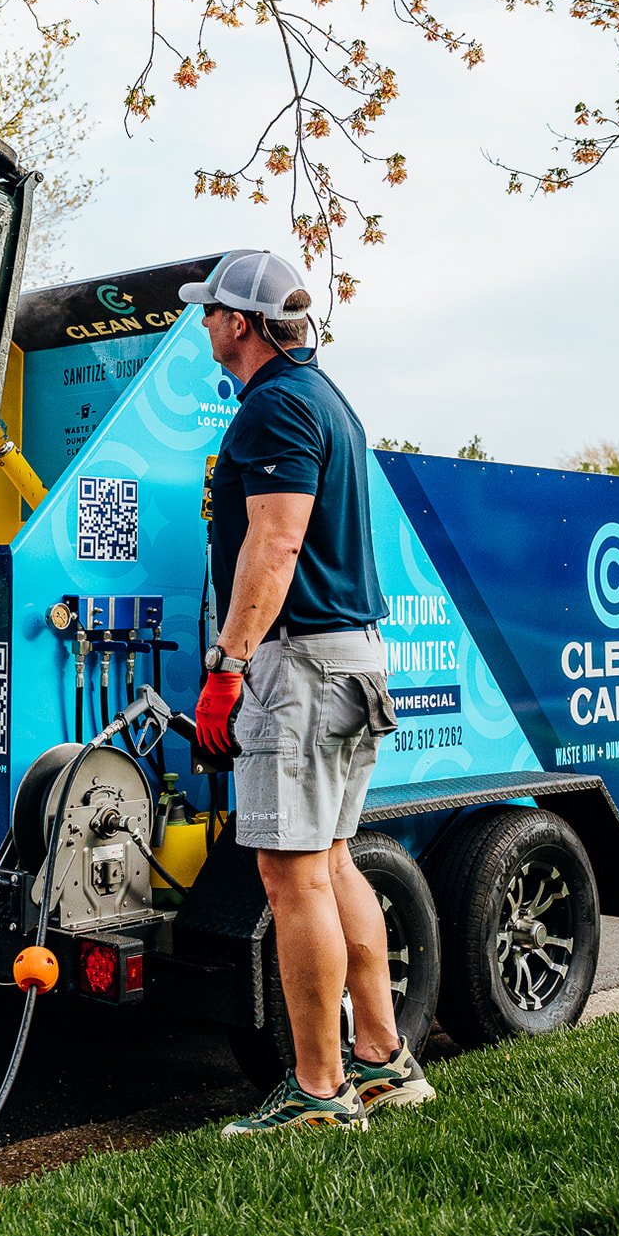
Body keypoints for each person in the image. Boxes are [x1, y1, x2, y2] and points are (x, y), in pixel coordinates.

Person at [178, 250, 436, 1134]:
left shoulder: (275, 406)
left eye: (210, 313)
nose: (203, 325)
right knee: (329, 862)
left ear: (241, 325)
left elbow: (276, 544)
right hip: (349, 657)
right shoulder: (322, 396)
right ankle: (382, 1060)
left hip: (301, 665)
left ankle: (318, 1093)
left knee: (291, 878)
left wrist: (225, 666)